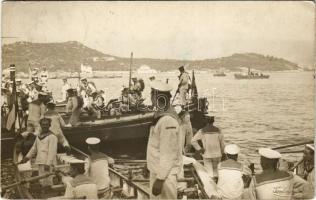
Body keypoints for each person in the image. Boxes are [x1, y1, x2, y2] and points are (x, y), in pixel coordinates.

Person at [146, 80, 182, 199]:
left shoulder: (167, 120)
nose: (151, 96)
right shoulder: (161, 115)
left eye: (152, 93)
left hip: (165, 176)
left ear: (156, 97)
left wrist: (160, 179)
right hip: (158, 172)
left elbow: (168, 153)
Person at [20, 118, 58, 187]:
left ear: (49, 125)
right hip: (41, 161)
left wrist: (48, 164)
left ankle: (49, 192)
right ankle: (44, 191)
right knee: (42, 179)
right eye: (43, 124)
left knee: (48, 180)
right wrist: (27, 157)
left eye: (46, 124)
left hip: (48, 162)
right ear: (40, 125)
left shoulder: (52, 137)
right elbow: (34, 149)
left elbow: (52, 152)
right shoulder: (39, 136)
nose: (44, 126)